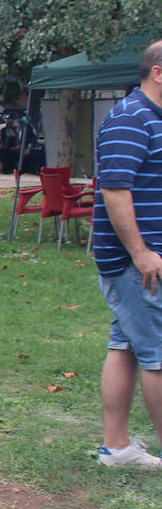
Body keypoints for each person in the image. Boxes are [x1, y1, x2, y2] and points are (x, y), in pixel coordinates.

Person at [93, 40, 162, 470]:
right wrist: (141, 254)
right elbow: (114, 190)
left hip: (147, 259)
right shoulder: (131, 118)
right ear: (159, 72)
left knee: (127, 346)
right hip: (138, 263)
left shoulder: (152, 118)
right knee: (158, 355)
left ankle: (115, 448)